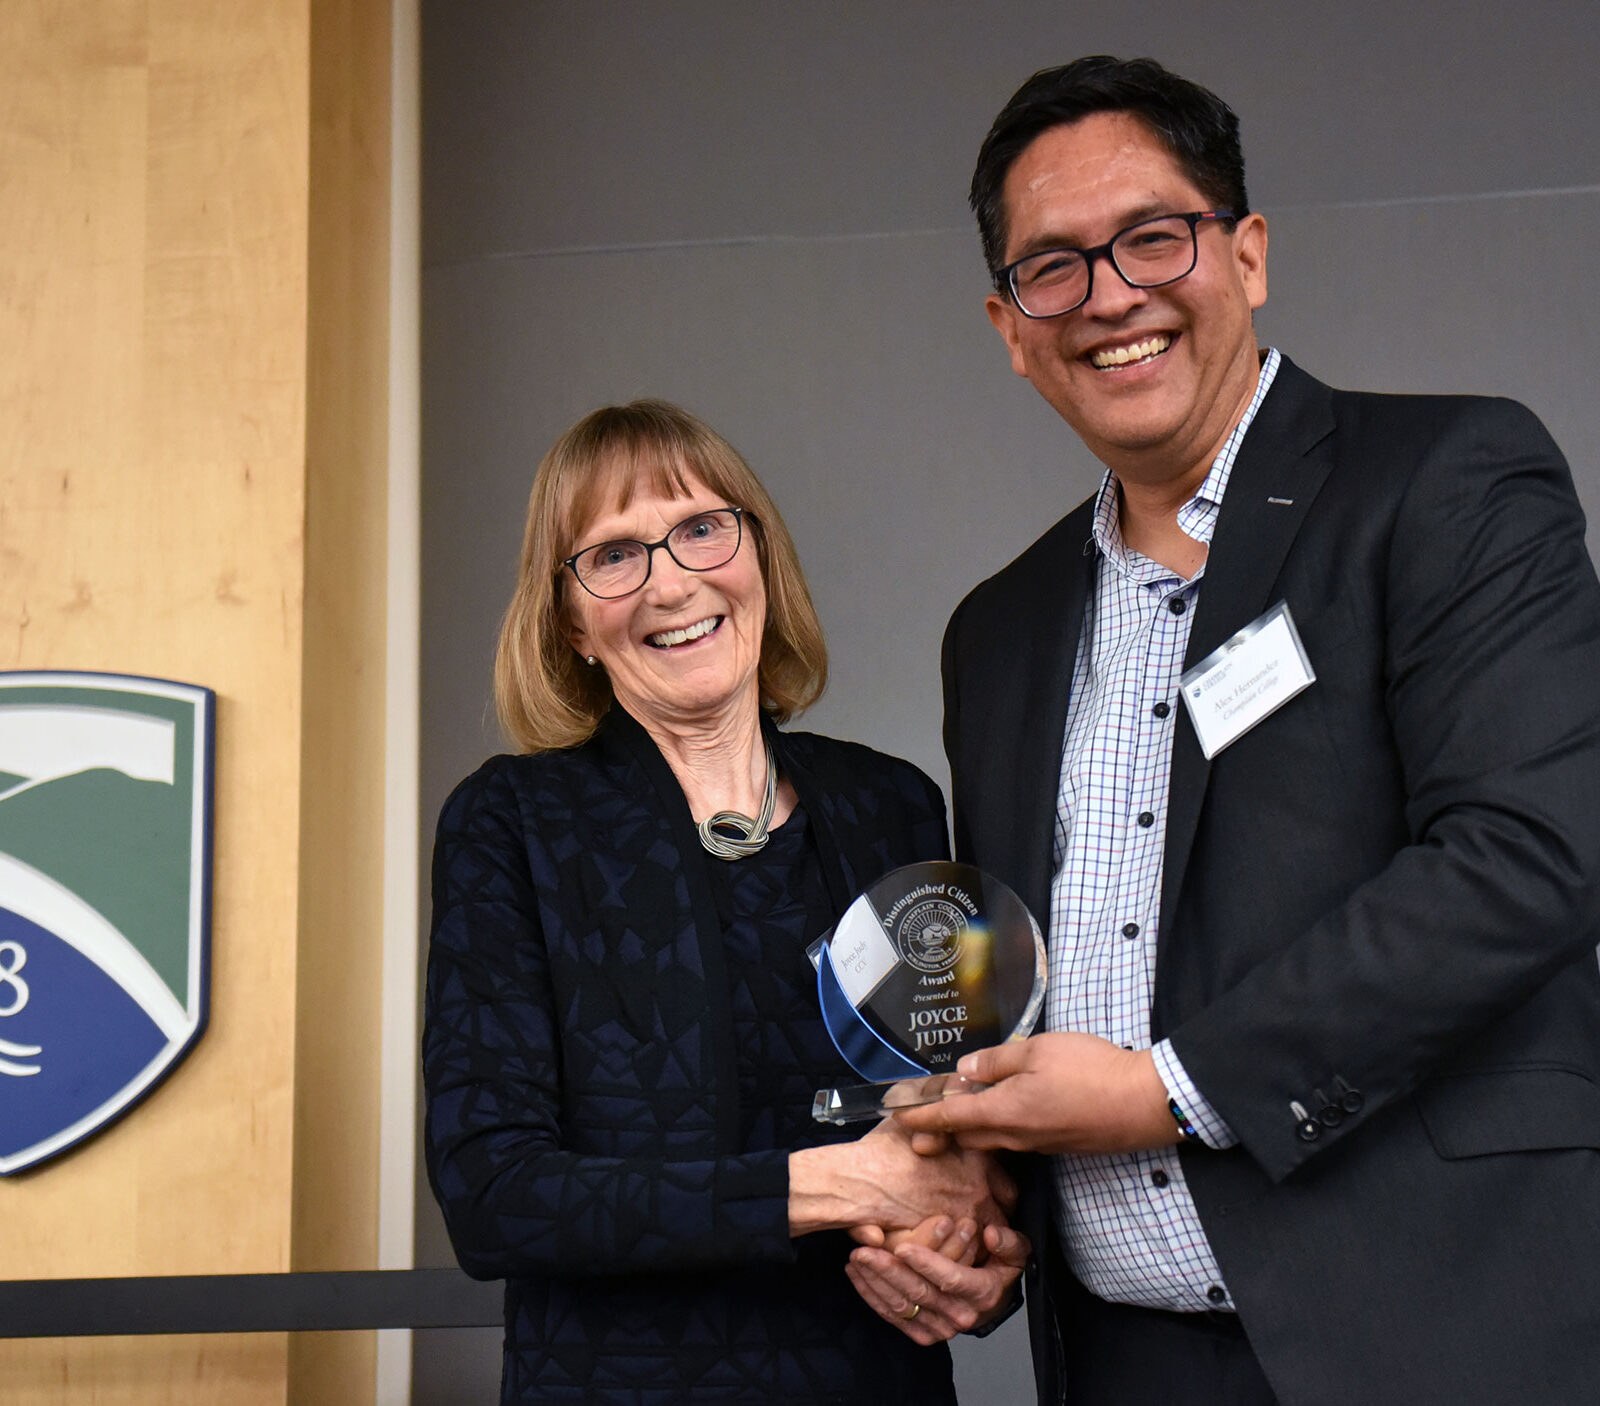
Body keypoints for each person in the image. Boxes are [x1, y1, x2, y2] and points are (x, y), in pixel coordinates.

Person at [847, 54, 1600, 1406]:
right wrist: (973, 1206)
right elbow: (1017, 980)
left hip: (1436, 1330)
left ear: (1246, 255)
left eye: (1154, 236)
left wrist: (1168, 1088)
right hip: (1125, 1358)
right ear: (1011, 325)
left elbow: (1531, 853)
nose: (1111, 294)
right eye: (1054, 266)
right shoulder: (999, 628)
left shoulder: (1448, 482)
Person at [422, 399, 1024, 1404]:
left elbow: (957, 1121)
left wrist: (983, 1245)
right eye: (613, 553)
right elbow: (495, 1198)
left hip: (870, 1378)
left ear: (758, 555)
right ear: (569, 619)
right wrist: (838, 1183)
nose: (672, 578)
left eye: (702, 526)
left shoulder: (892, 807)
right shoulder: (511, 823)